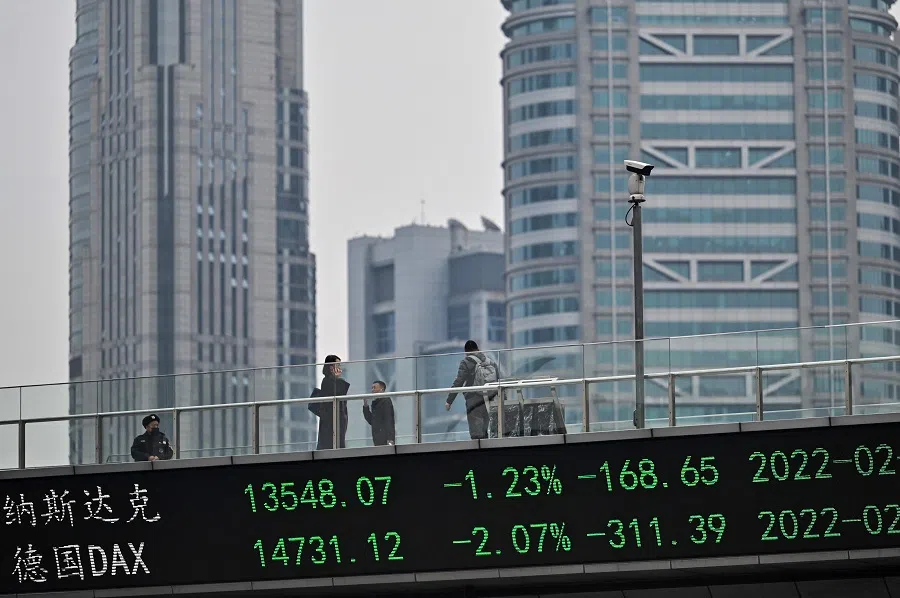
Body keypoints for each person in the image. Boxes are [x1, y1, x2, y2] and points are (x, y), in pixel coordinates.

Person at [445, 340, 497, 440]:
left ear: (466, 352)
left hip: (474, 400)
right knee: (485, 431)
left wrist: (449, 401)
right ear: (477, 349)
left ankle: (477, 453)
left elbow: (458, 382)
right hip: (489, 399)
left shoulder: (466, 362)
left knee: (476, 433)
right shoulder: (488, 361)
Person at [308, 355, 350, 450]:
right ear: (331, 367)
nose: (339, 367)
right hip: (331, 424)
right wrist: (337, 378)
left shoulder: (332, 381)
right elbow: (337, 393)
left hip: (336, 422)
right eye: (338, 364)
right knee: (333, 447)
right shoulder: (327, 381)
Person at [363, 380, 395, 446]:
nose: (372, 390)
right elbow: (371, 420)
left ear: (381, 389)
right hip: (377, 438)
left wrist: (390, 440)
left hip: (385, 438)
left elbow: (389, 420)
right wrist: (365, 406)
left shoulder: (386, 401)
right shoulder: (375, 403)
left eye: (374, 388)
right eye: (372, 388)